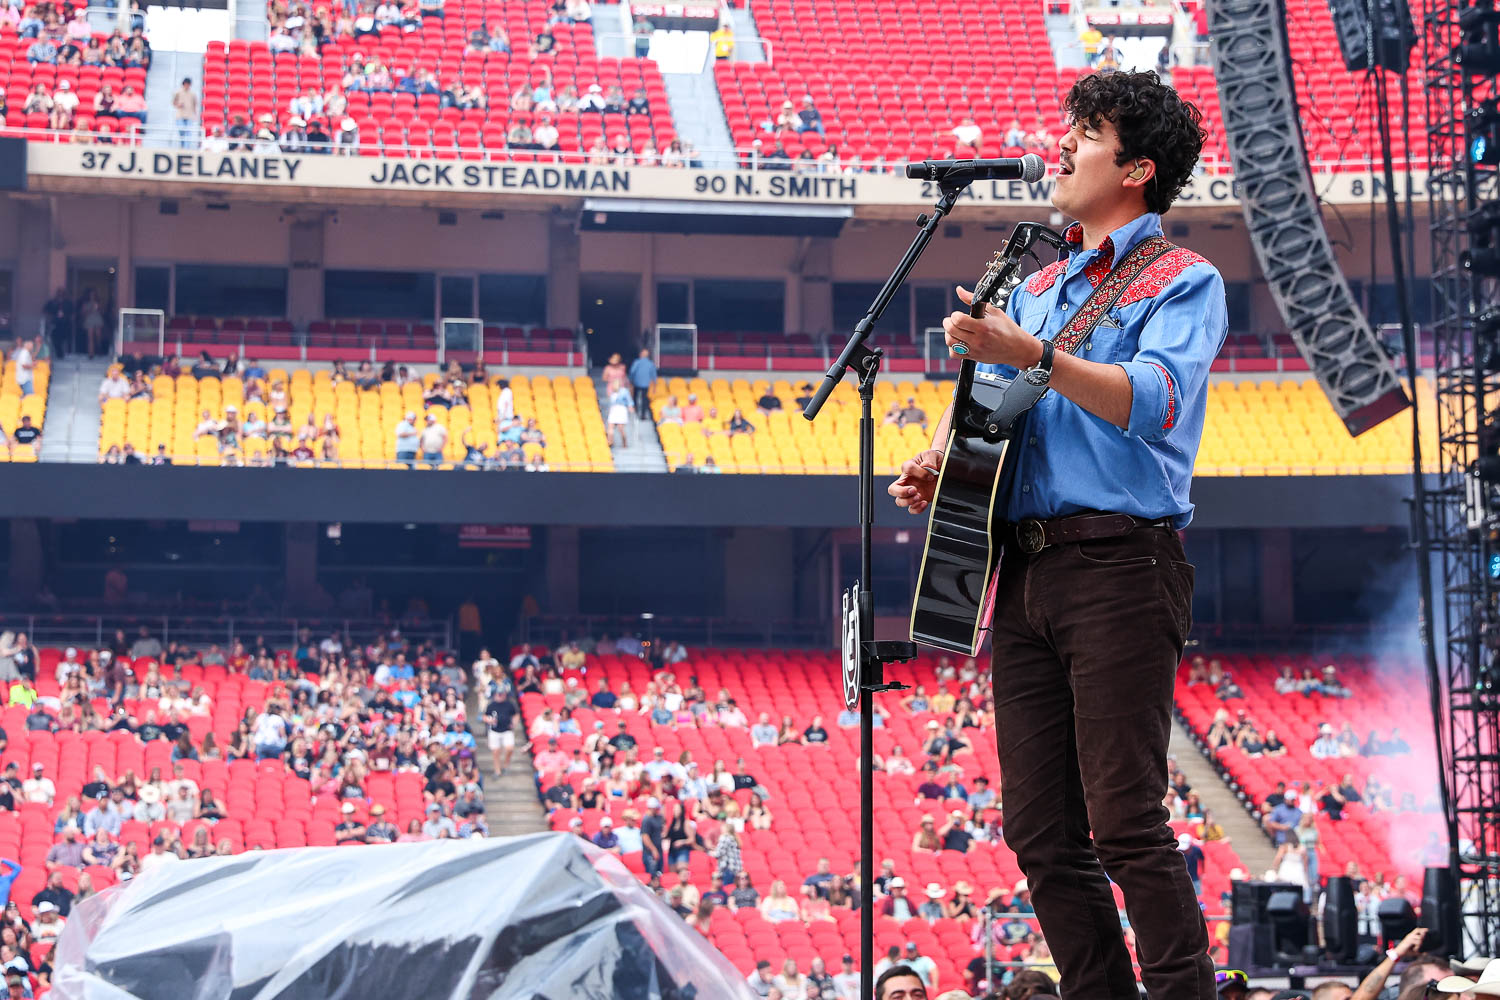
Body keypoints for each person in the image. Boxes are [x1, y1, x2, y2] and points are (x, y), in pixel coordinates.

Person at [887, 70, 1223, 1000]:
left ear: (1137, 169)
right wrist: (943, 460)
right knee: (1039, 834)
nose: (1062, 143)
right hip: (1023, 569)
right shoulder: (1036, 286)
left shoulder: (1183, 279)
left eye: (1086, 132)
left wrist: (1027, 354)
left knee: (1123, 822)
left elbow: (1150, 403)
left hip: (1120, 563)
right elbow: (1006, 414)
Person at [628, 348, 656, 420]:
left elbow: (632, 372)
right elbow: (653, 375)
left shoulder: (637, 362)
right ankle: (643, 414)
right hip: (646, 384)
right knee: (644, 399)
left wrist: (631, 380)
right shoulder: (651, 363)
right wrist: (654, 385)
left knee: (635, 396)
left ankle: (636, 410)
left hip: (637, 382)